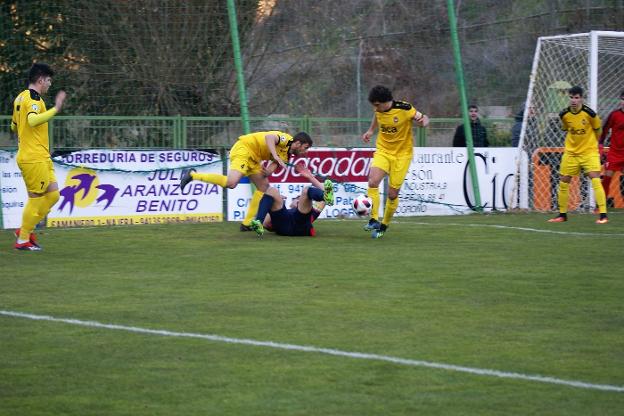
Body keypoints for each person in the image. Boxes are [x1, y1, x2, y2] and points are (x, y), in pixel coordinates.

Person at [179, 130, 313, 227]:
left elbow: (271, 169)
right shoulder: (286, 139)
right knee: (231, 183)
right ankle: (192, 175)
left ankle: (247, 223)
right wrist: (275, 155)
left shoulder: (287, 156)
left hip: (254, 158)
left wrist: (267, 172)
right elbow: (269, 137)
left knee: (264, 187)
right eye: (305, 148)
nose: (305, 151)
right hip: (244, 149)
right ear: (297, 143)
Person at [11, 63, 67, 251]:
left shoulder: (20, 97)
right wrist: (55, 109)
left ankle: (25, 230)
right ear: (41, 79)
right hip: (33, 157)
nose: (50, 84)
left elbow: (14, 126)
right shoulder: (34, 98)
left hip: (40, 156)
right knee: (36, 200)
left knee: (53, 195)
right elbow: (32, 120)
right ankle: (23, 240)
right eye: (49, 80)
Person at [361, 85, 429, 238]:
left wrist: (424, 122)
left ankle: (383, 226)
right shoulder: (378, 110)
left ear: (386, 102)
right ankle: (373, 219)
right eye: (374, 105)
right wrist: (371, 131)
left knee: (392, 194)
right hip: (383, 151)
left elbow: (423, 118)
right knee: (373, 181)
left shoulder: (405, 109)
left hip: (402, 155)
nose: (375, 108)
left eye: (377, 105)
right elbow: (377, 118)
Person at [548, 85, 608, 224]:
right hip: (571, 153)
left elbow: (598, 130)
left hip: (589, 152)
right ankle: (562, 215)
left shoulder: (590, 114)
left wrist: (594, 144)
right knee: (563, 181)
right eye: (571, 97)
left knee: (595, 179)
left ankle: (603, 215)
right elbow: (566, 129)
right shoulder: (564, 114)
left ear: (581, 98)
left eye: (576, 98)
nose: (574, 100)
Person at [248, 164, 334, 237]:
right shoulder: (285, 213)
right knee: (272, 190)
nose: (299, 199)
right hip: (283, 226)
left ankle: (323, 196)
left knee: (306, 190)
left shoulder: (312, 212)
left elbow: (328, 194)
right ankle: (258, 221)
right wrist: (273, 201)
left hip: (301, 226)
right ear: (291, 203)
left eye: (300, 198)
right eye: (297, 198)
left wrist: (310, 177)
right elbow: (266, 223)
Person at [598, 90, 624, 205]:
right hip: (615, 152)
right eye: (623, 99)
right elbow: (605, 130)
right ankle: (601, 205)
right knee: (607, 177)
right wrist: (600, 145)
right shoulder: (614, 115)